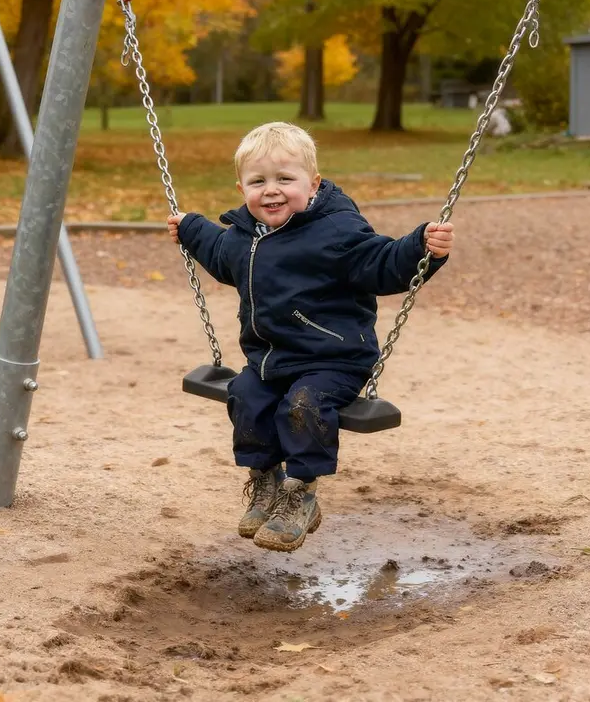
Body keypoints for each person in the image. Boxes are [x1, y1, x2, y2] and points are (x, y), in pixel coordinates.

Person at [167, 122, 454, 552]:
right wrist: (190, 228)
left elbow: (383, 263)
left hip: (332, 360)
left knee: (304, 407)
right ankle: (266, 483)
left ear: (313, 183)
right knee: (245, 396)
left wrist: (421, 247)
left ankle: (300, 493)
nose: (271, 191)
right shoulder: (245, 238)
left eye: (285, 179)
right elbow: (217, 251)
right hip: (269, 360)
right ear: (241, 186)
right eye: (258, 181)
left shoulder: (336, 231)